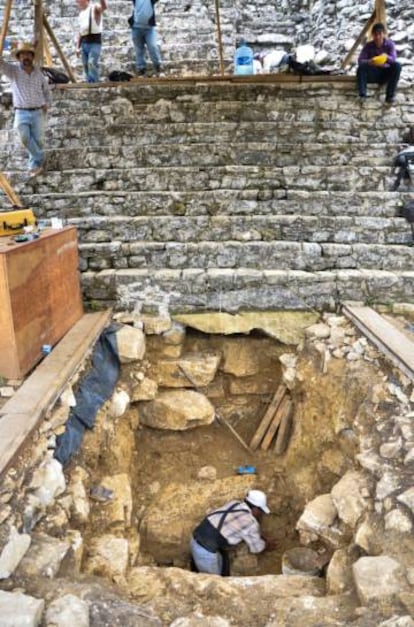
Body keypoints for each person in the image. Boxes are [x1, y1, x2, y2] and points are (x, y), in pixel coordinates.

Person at [190, 489, 276, 576]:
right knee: (214, 582)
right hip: (205, 552)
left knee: (220, 567)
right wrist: (268, 545)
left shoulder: (234, 503)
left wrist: (262, 537)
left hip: (195, 538)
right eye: (261, 511)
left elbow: (241, 527)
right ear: (255, 509)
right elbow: (257, 548)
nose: (261, 514)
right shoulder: (251, 522)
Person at [0, 42, 51, 176]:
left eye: (28, 54)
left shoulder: (39, 73)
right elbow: (1, 63)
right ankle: (41, 158)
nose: (26, 57)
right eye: (23, 54)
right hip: (21, 111)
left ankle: (34, 167)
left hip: (38, 111)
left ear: (32, 57)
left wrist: (47, 103)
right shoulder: (13, 71)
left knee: (38, 140)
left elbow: (46, 90)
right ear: (19, 57)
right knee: (24, 137)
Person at [357, 22, 401, 106]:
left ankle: (389, 96)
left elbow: (393, 59)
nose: (377, 37)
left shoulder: (390, 44)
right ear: (373, 35)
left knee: (397, 66)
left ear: (384, 34)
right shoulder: (368, 46)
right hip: (373, 74)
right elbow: (360, 60)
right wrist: (370, 61)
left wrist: (386, 57)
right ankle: (362, 95)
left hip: (385, 73)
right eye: (375, 34)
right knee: (362, 67)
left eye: (380, 34)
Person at [129, 0, 163, 76]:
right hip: (136, 28)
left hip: (149, 29)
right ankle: (141, 68)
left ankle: (157, 65)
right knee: (139, 50)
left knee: (153, 46)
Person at [76, 0, 107, 83]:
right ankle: (89, 81)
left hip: (94, 42)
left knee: (92, 63)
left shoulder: (94, 7)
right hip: (84, 42)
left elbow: (103, 7)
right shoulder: (81, 14)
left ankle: (94, 82)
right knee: (86, 64)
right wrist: (77, 47)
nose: (77, 1)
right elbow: (80, 32)